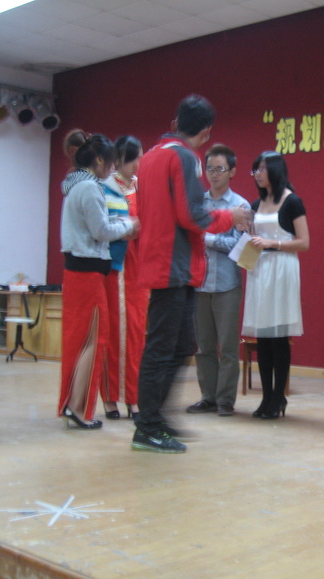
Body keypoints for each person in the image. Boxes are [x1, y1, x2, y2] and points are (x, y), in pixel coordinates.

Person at [132, 95, 251, 453]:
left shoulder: (151, 156)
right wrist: (231, 217)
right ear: (206, 132)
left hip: (164, 260)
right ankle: (148, 426)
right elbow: (191, 215)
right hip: (174, 264)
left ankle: (157, 417)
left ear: (176, 122)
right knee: (161, 349)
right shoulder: (183, 156)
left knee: (181, 345)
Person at [57, 133, 138, 429]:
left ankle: (73, 405)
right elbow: (101, 231)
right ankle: (78, 408)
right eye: (111, 163)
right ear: (100, 160)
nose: (112, 168)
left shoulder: (75, 184)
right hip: (88, 273)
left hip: (78, 271)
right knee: (93, 340)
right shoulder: (90, 187)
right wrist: (128, 225)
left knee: (80, 340)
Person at [242, 151, 309, 420]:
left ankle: (279, 396)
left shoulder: (292, 201)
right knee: (263, 338)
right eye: (255, 170)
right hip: (260, 269)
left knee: (279, 337)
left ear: (275, 170)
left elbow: (304, 242)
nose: (257, 175)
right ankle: (266, 396)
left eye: (261, 169)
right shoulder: (255, 204)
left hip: (282, 268)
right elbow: (253, 239)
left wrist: (272, 243)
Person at [186, 144, 251, 417]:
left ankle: (225, 399)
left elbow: (239, 246)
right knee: (204, 347)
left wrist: (208, 239)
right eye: (210, 168)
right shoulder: (198, 203)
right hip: (199, 283)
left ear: (232, 172)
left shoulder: (240, 206)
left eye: (220, 169)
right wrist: (207, 239)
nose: (213, 174)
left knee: (228, 347)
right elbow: (189, 238)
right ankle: (208, 397)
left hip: (227, 285)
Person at [99, 135, 147, 420]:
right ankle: (110, 396)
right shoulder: (106, 187)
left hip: (139, 265)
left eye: (140, 157)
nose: (138, 163)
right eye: (134, 158)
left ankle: (134, 396)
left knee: (137, 331)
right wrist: (126, 226)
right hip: (116, 265)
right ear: (119, 160)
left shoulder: (143, 187)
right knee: (113, 330)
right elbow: (102, 226)